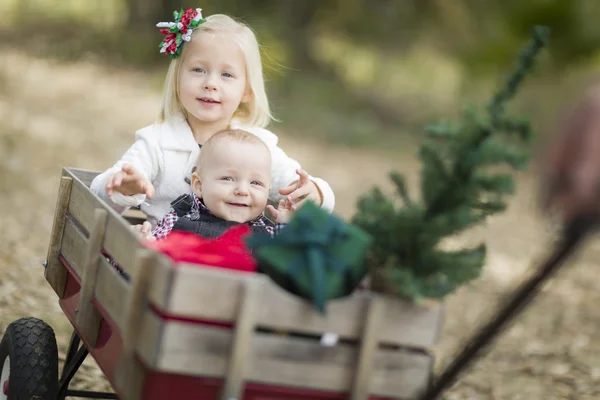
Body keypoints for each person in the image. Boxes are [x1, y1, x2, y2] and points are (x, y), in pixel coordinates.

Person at [90, 8, 335, 227]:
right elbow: (100, 194)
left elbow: (298, 186)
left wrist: (317, 192)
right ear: (177, 80)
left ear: (247, 90)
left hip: (234, 266)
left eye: (227, 75)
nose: (210, 84)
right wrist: (123, 187)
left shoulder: (258, 146)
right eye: (198, 70)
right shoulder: (157, 143)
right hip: (167, 262)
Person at [137, 128, 294, 241]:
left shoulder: (268, 234)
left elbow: (286, 268)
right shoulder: (181, 218)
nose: (242, 191)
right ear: (198, 185)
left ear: (268, 191)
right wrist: (144, 242)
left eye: (255, 183)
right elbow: (154, 259)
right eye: (227, 179)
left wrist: (286, 226)